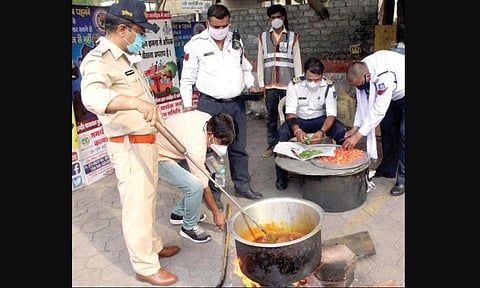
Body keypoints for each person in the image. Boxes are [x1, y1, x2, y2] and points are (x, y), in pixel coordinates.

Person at [79, 0, 179, 286]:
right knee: (136, 204)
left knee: (147, 198)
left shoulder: (124, 57)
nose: (142, 37)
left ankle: (153, 247)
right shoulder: (99, 60)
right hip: (128, 146)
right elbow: (93, 98)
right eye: (139, 30)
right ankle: (145, 266)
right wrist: (134, 102)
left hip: (146, 143)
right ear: (122, 29)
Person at [179, 4, 263, 207]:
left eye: (224, 25)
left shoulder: (235, 40)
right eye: (216, 26)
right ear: (208, 23)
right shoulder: (196, 44)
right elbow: (186, 80)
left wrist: (251, 85)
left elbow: (245, 68)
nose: (220, 30)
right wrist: (188, 108)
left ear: (229, 22)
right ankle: (214, 191)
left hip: (236, 105)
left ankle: (242, 186)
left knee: (239, 147)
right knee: (211, 151)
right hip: (209, 105)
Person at [155, 111, 236, 243]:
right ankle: (189, 226)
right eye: (221, 143)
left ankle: (179, 213)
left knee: (200, 177)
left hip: (176, 149)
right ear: (210, 134)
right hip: (159, 156)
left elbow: (206, 160)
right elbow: (203, 185)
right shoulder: (196, 145)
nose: (223, 147)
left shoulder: (209, 120)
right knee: (195, 186)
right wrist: (216, 213)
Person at [273, 57, 346, 190]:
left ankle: (342, 169)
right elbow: (290, 112)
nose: (312, 83)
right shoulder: (294, 84)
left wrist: (322, 131)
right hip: (299, 120)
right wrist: (297, 131)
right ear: (304, 74)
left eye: (316, 80)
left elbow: (331, 115)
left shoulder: (328, 86)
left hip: (320, 120)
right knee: (280, 135)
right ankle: (281, 177)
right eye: (309, 79)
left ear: (322, 76)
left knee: (341, 131)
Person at [342, 50, 405, 196]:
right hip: (392, 96)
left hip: (403, 92)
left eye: (359, 85)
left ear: (367, 76)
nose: (358, 88)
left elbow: (378, 110)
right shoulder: (361, 71)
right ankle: (388, 169)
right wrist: (355, 127)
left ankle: (402, 179)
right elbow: (362, 104)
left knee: (403, 134)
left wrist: (357, 137)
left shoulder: (384, 76)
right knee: (387, 128)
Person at [257, 4, 302, 158]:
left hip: (287, 84)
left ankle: (287, 145)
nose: (276, 20)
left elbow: (297, 61)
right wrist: (261, 84)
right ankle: (272, 145)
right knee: (271, 118)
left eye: (278, 17)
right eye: (273, 17)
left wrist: (299, 82)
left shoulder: (292, 36)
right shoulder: (263, 37)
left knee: (289, 116)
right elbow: (260, 61)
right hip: (270, 85)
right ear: (269, 19)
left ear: (283, 18)